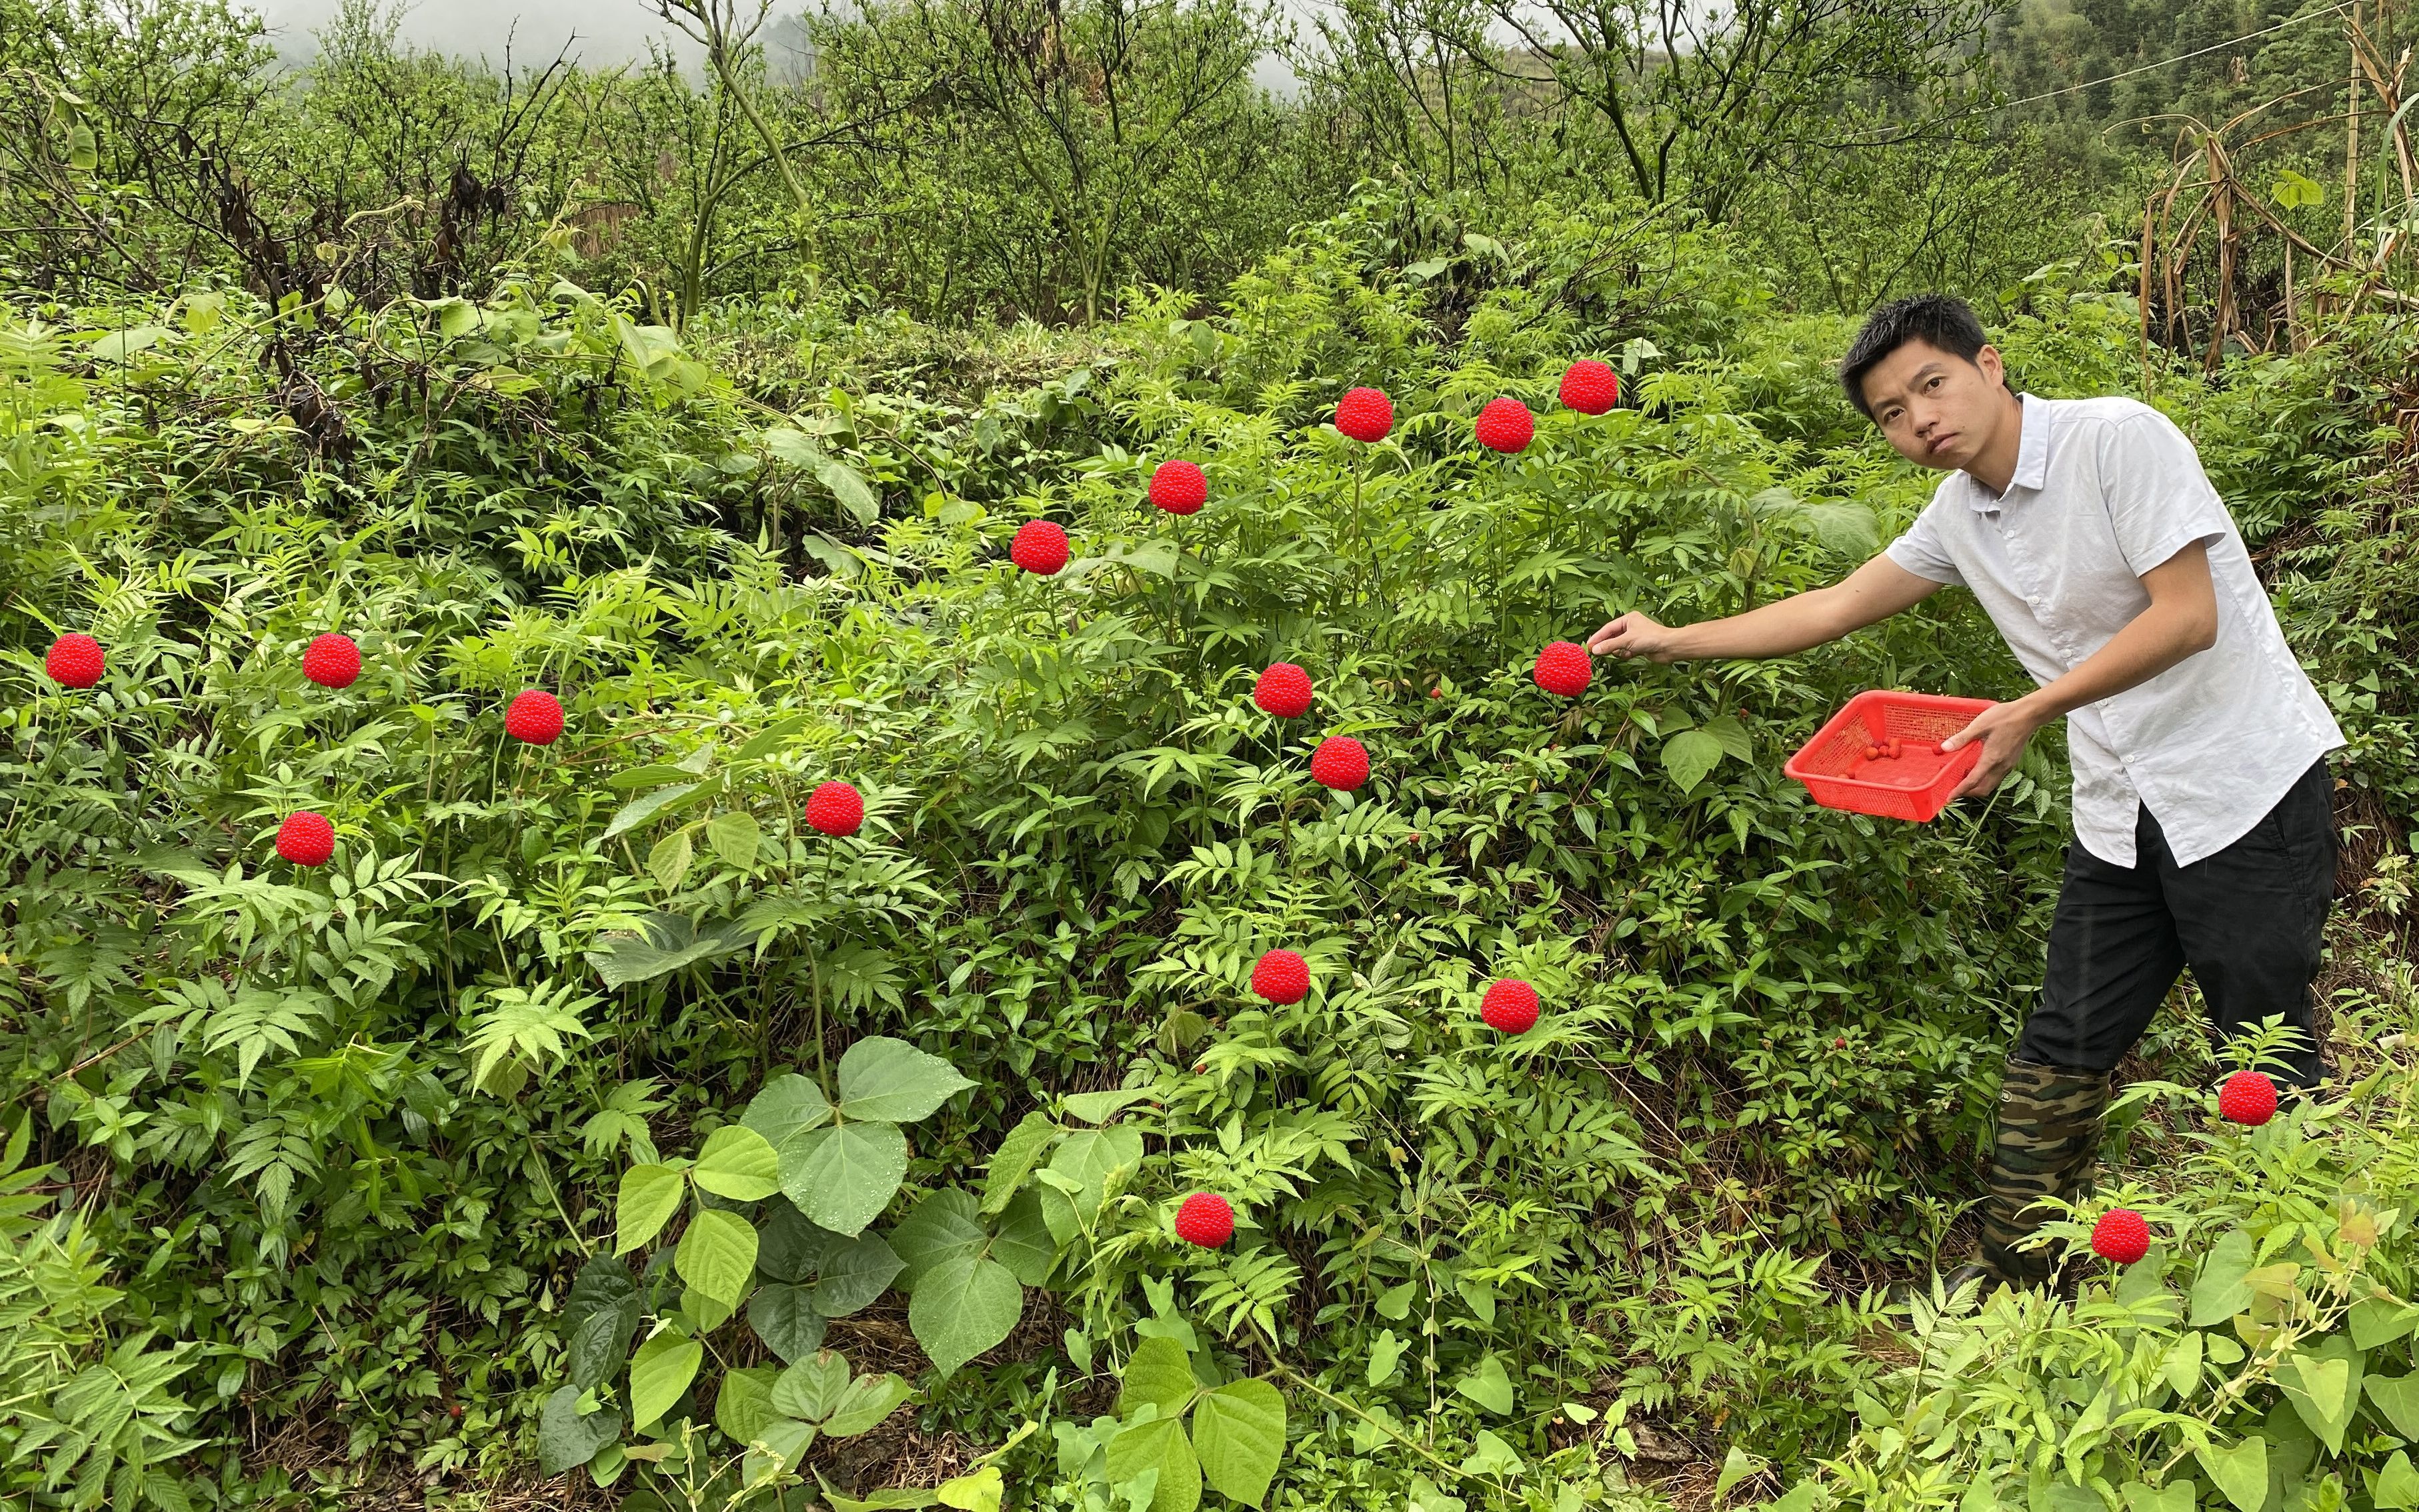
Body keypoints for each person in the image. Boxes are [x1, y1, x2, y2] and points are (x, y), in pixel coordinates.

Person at [1586, 293, 2344, 1291]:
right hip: (2120, 809)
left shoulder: (2117, 439)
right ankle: (2019, 1283)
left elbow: (2188, 617)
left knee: (2262, 1041)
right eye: (1893, 413)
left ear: (1989, 366)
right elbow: (1836, 606)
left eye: (1931, 384)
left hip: (2242, 785)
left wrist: (2033, 709)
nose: (1920, 420)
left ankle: (2300, 1287)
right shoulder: (1959, 515)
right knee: (2062, 1045)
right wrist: (1670, 639)